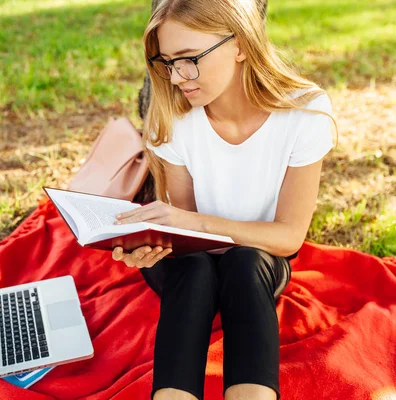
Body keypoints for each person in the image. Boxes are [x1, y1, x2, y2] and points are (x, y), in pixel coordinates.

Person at [111, 0, 337, 399]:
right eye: (168, 62)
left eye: (188, 58)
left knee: (244, 262)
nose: (178, 76)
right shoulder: (176, 116)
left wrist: (196, 224)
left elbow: (288, 238)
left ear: (241, 44)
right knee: (196, 270)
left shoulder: (305, 112)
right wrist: (151, 244)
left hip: (261, 259)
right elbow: (183, 235)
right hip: (190, 263)